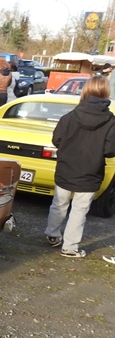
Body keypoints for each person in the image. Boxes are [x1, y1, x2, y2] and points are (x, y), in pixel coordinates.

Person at [44, 75, 115, 259]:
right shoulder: (111, 121)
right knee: (79, 210)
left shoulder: (70, 116)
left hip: (66, 167)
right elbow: (110, 151)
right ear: (106, 91)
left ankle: (52, 234)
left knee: (59, 204)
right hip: (91, 171)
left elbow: (56, 139)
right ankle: (70, 247)